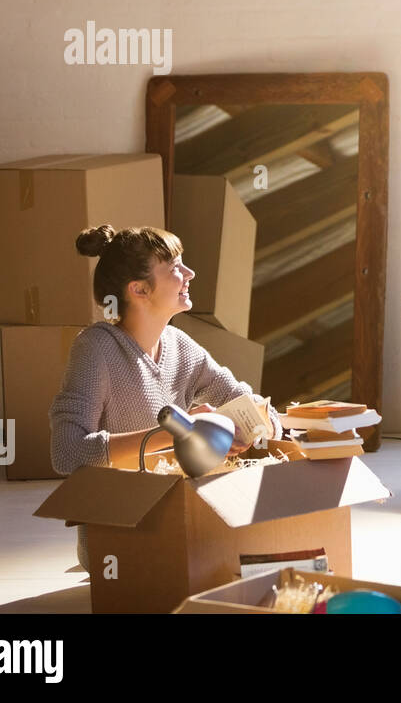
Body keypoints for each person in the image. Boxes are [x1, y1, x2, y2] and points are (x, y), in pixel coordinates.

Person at [50, 224, 279, 569]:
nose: (190, 273)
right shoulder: (95, 348)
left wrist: (262, 424)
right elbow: (66, 453)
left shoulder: (178, 345)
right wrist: (176, 433)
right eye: (174, 268)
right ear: (139, 289)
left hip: (175, 517)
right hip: (116, 535)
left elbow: (239, 394)